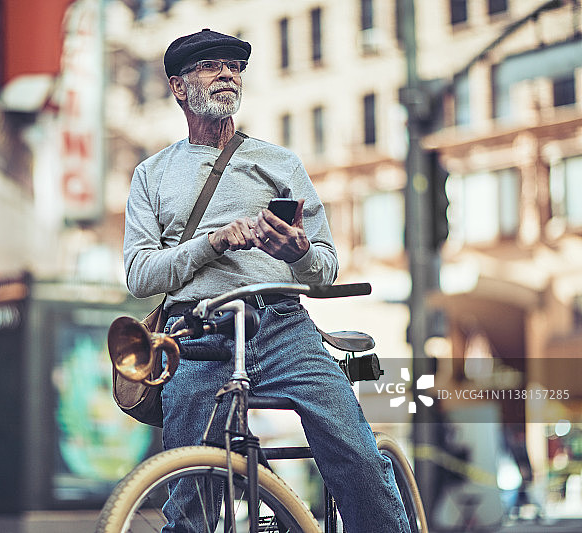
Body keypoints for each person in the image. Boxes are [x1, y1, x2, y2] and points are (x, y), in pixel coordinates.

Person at [123, 28, 411, 532]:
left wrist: (298, 254)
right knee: (188, 497)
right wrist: (211, 242)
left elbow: (325, 266)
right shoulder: (152, 174)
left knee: (359, 458)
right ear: (178, 86)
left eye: (234, 66)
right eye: (211, 65)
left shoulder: (280, 162)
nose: (227, 74)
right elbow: (140, 274)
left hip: (283, 326)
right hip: (196, 333)